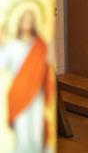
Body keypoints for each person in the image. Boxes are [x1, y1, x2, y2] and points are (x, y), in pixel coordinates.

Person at [0, 10, 52, 153]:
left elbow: (46, 69)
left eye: (30, 20)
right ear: (20, 22)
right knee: (22, 133)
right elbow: (2, 63)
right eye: (25, 20)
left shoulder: (40, 45)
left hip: (36, 95)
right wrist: (1, 43)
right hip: (19, 94)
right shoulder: (13, 45)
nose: (27, 23)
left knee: (36, 133)